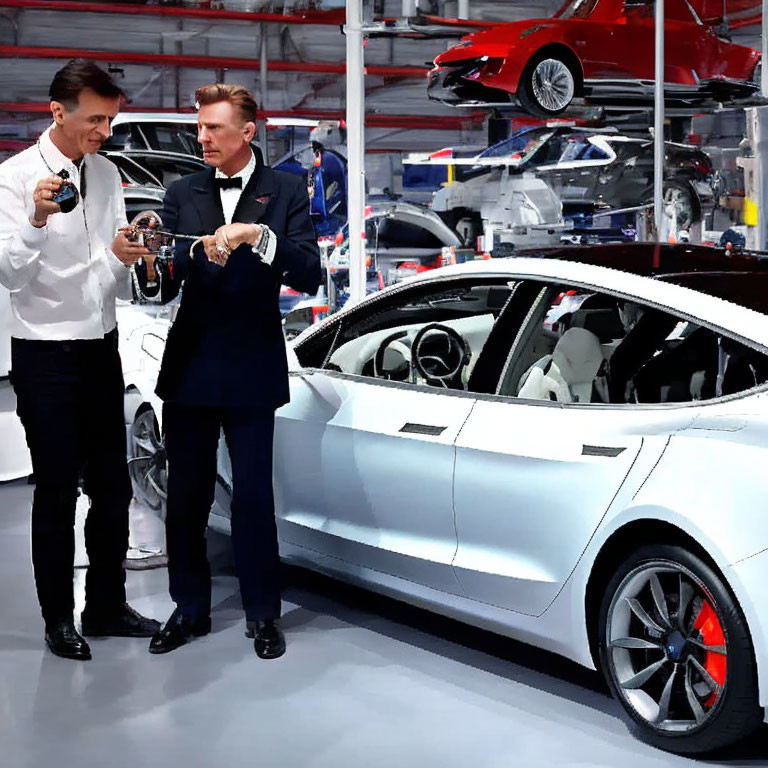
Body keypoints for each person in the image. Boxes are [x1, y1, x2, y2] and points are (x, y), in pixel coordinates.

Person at [148, 84, 321, 659]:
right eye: (199, 128)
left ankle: (262, 614)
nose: (201, 138)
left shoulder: (288, 190)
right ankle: (188, 607)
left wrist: (259, 236)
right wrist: (176, 254)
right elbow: (167, 272)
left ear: (248, 132)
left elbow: (310, 274)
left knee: (252, 497)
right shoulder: (181, 191)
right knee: (187, 496)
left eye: (213, 129)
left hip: (251, 363)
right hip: (192, 363)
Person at [0, 59, 161, 661]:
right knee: (57, 491)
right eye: (95, 120)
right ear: (57, 113)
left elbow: (112, 283)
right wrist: (38, 220)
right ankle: (57, 618)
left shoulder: (108, 173)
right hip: (44, 353)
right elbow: (9, 274)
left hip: (102, 347)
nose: (104, 132)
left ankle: (106, 605)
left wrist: (127, 253)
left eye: (110, 120)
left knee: (114, 489)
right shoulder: (14, 178)